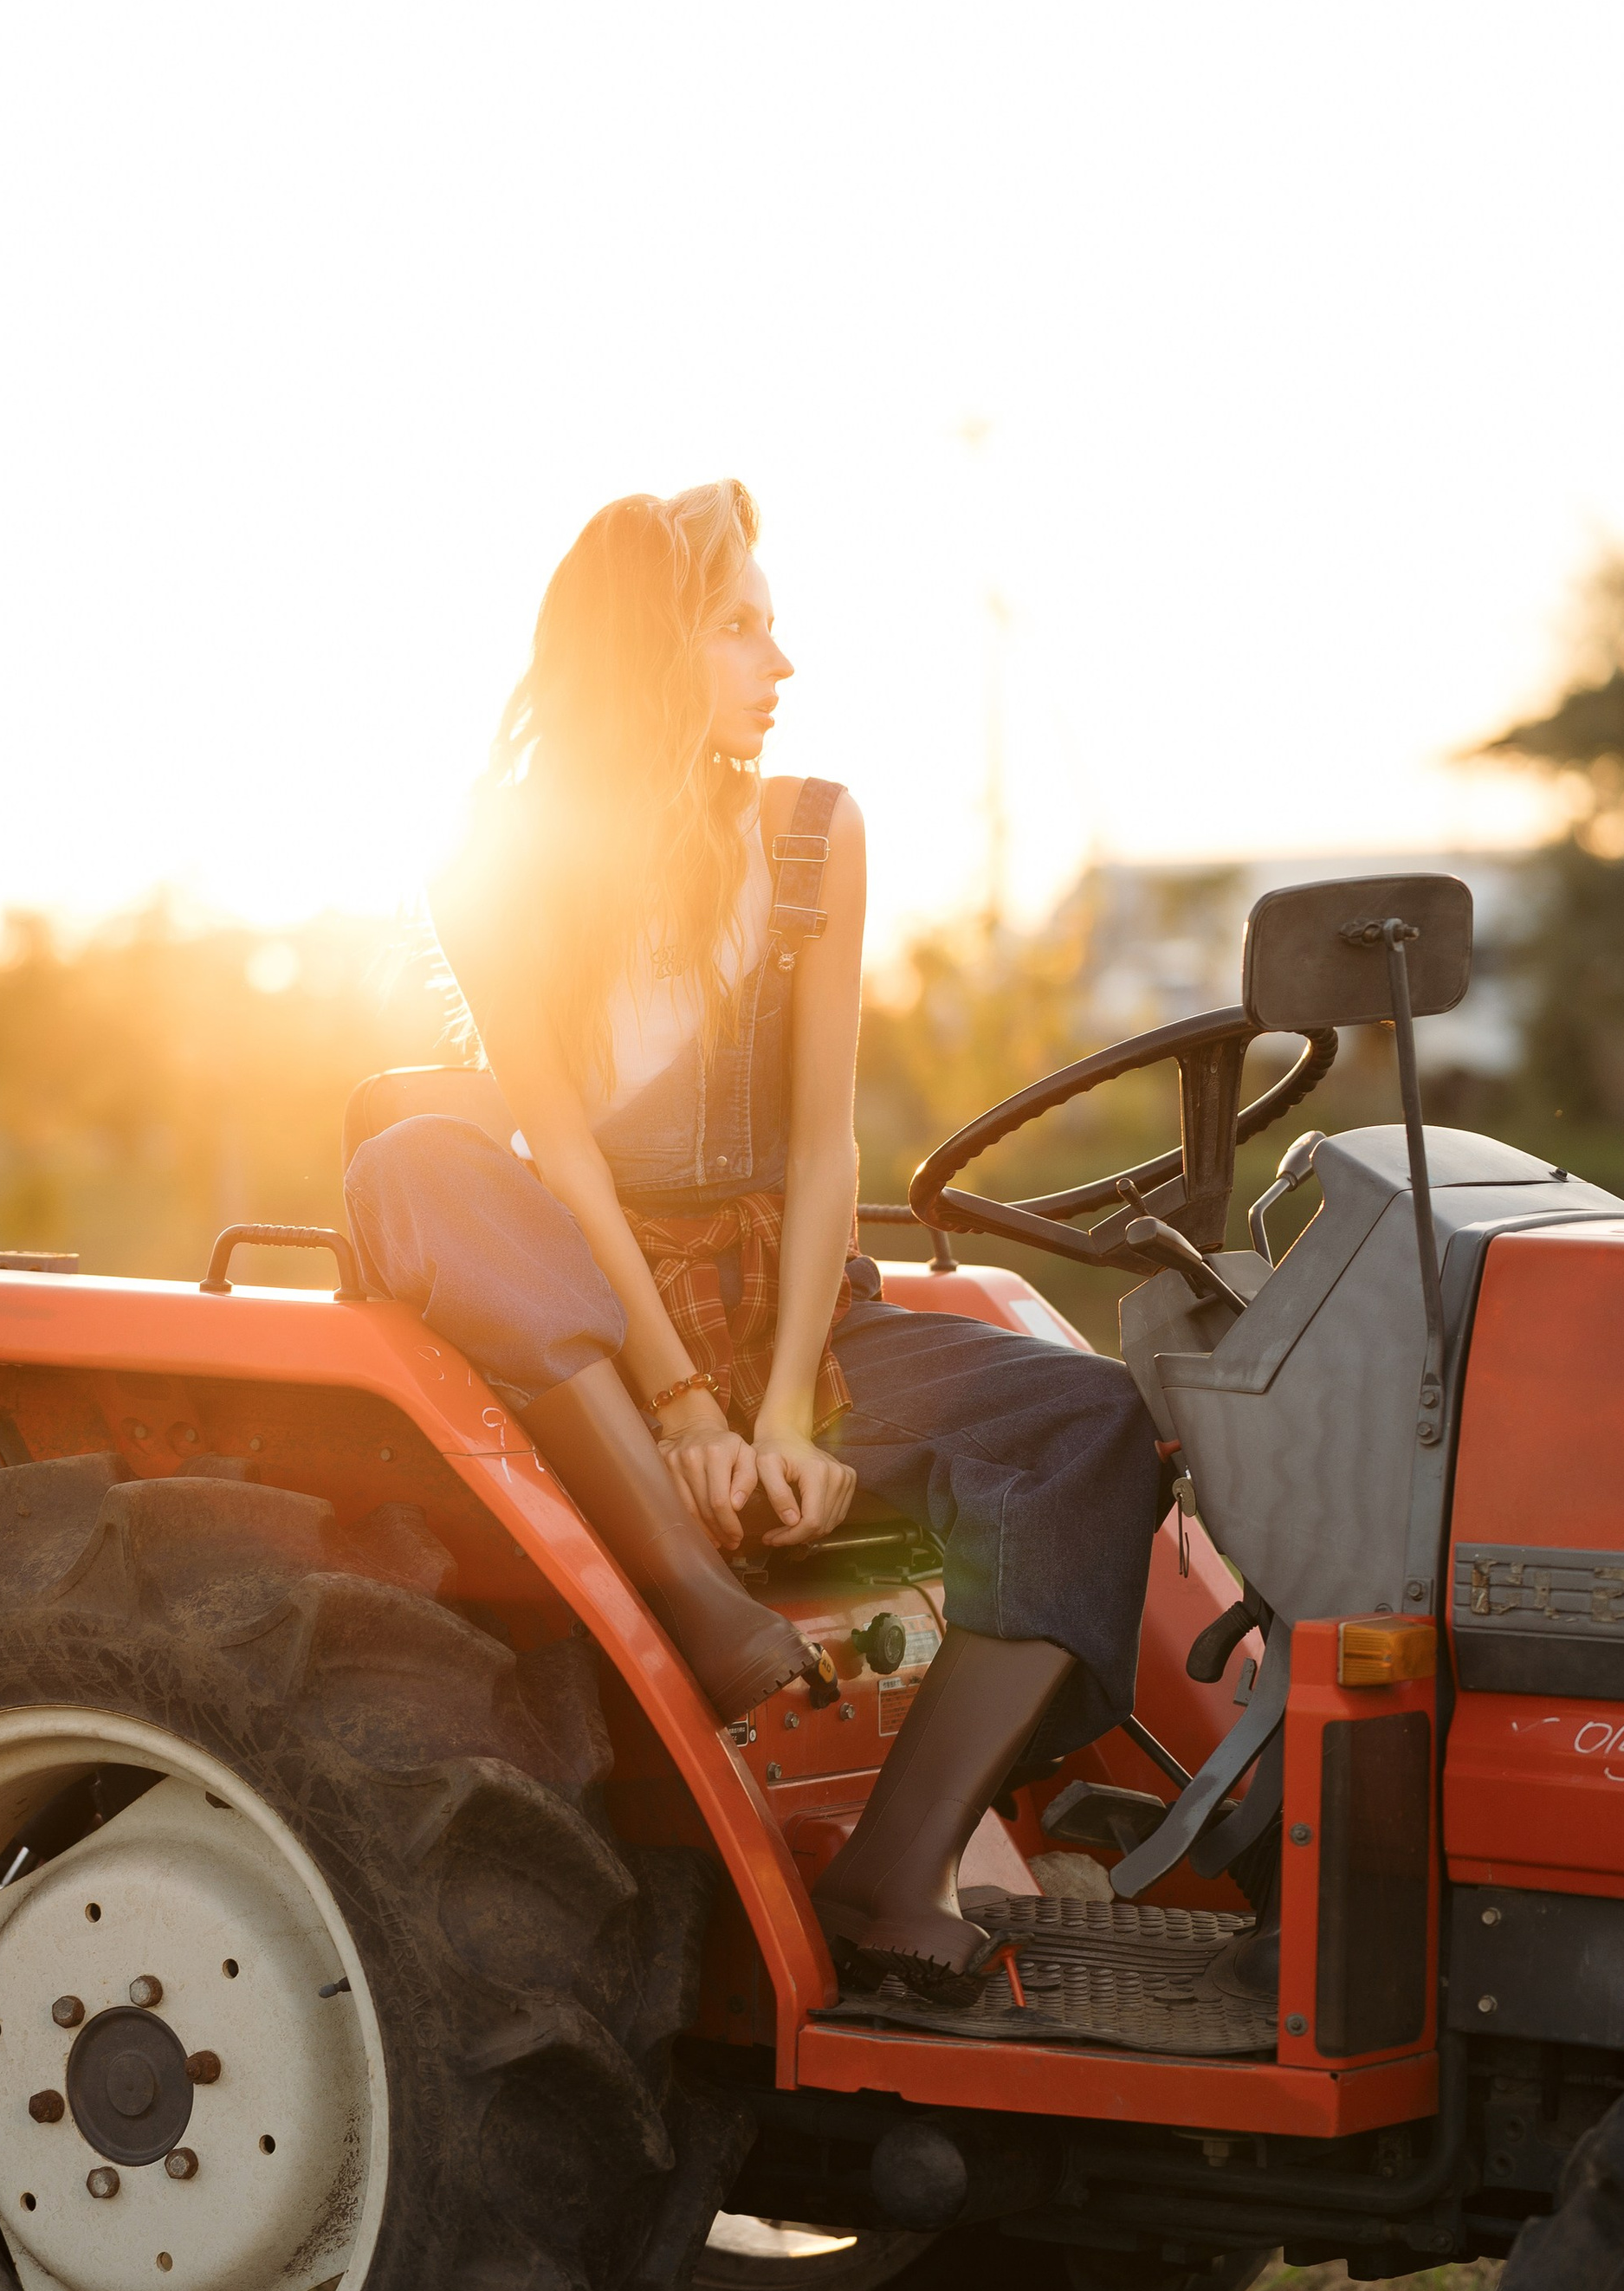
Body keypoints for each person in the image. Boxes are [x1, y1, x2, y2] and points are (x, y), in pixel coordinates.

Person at [344, 482, 1163, 2005]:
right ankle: (693, 1593)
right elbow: (565, 1152)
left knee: (1091, 1423)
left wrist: (787, 1409)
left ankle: (897, 1861)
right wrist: (681, 1415)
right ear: (652, 649)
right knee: (417, 1164)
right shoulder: (492, 867)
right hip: (587, 1308)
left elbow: (818, 1143)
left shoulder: (812, 836)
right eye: (740, 627)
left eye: (773, 628)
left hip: (779, 1302)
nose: (779, 664)